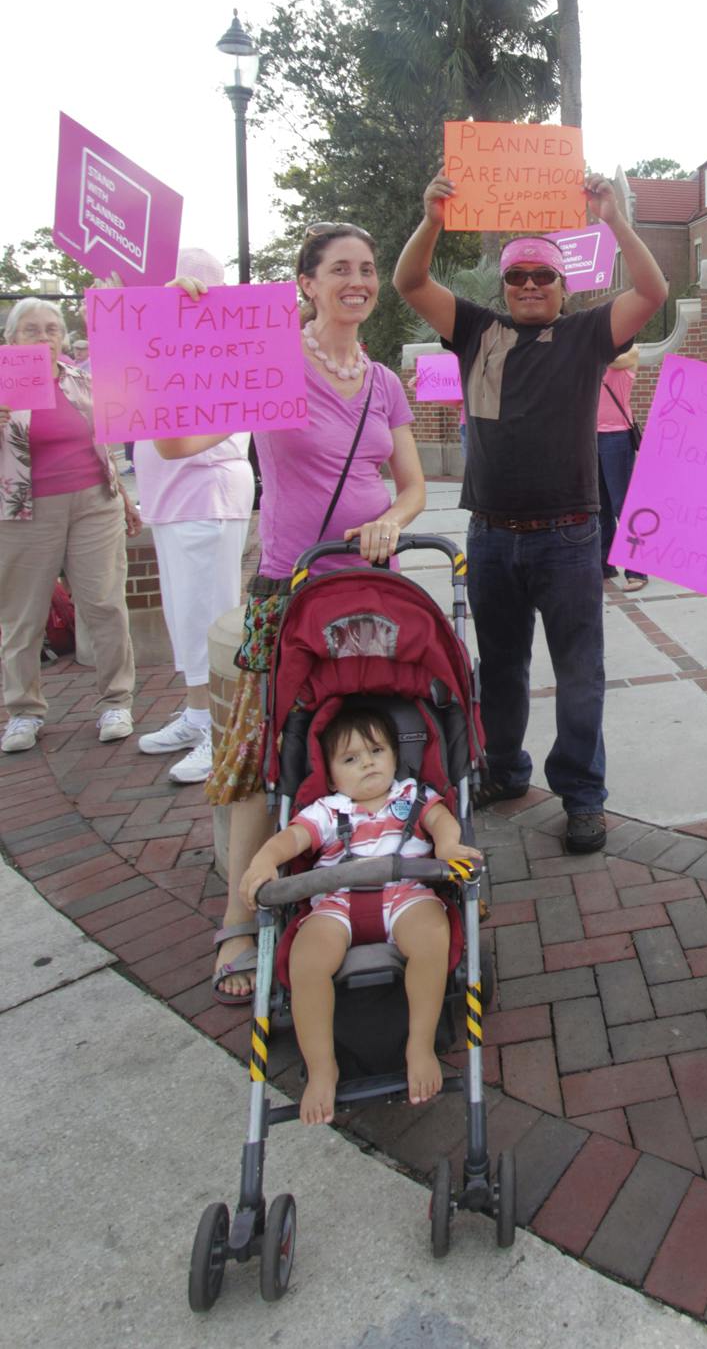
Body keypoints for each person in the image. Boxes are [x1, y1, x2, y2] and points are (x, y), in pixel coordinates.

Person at [155, 222, 426, 1002]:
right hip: (291, 587)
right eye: (340, 268)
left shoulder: (383, 383)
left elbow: (408, 484)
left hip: (374, 588)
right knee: (262, 753)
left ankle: (376, 881)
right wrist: (181, 327)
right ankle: (239, 919)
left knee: (377, 738)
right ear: (305, 282)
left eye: (368, 268)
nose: (359, 280)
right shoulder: (268, 359)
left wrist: (394, 521)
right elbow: (177, 444)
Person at [394, 172, 668, 854]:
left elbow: (654, 293)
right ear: (505, 286)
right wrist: (431, 219)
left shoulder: (585, 336)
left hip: (570, 539)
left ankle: (582, 795)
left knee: (580, 672)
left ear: (562, 284)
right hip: (491, 536)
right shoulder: (477, 333)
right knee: (502, 668)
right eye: (517, 276)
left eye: (543, 274)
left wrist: (615, 220)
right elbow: (408, 283)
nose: (529, 285)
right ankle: (506, 769)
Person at [240, 703, 480, 1120]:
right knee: (307, 959)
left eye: (377, 752)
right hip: (336, 901)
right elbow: (290, 840)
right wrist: (263, 860)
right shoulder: (328, 811)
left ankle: (419, 1046)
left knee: (431, 936)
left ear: (395, 757)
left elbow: (442, 820)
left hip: (405, 892)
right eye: (351, 759)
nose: (367, 763)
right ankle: (322, 1068)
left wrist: (445, 846)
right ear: (331, 775)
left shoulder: (412, 795)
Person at [128, 251, 254, 784]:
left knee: (210, 616)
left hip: (206, 496)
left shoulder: (222, 346)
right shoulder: (167, 346)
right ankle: (199, 713)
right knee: (186, 615)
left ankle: (220, 728)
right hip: (173, 501)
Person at [0, 298, 139, 753]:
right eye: (32, 330)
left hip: (93, 504)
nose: (43, 338)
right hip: (24, 511)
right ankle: (23, 710)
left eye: (52, 330)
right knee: (23, 615)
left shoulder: (83, 381)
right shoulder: (2, 386)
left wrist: (123, 497)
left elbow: (105, 445)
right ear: (12, 338)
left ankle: (116, 700)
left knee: (104, 604)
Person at [598, 344, 647, 592]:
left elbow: (615, 361)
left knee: (624, 505)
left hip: (616, 437)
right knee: (599, 506)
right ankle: (604, 563)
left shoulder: (631, 351)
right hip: (588, 436)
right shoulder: (592, 349)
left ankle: (637, 570)